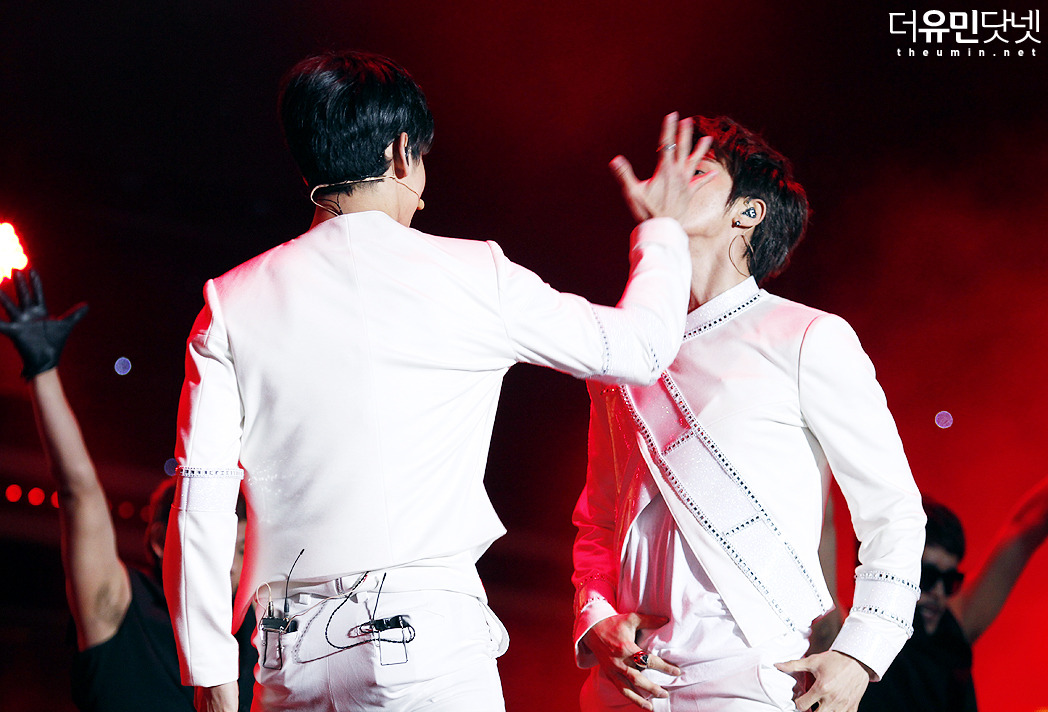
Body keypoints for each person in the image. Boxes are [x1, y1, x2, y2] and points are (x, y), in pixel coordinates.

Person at [164, 50, 714, 712]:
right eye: (422, 162)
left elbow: (201, 499)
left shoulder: (230, 302)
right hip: (423, 637)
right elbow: (642, 348)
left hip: (290, 647)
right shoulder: (475, 275)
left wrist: (211, 670)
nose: (422, 193)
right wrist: (663, 232)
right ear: (401, 153)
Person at [571, 116, 927, 712]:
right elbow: (600, 519)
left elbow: (892, 510)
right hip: (628, 681)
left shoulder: (806, 335)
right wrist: (596, 617)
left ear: (748, 212)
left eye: (699, 170)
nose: (670, 178)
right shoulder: (624, 352)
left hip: (756, 678)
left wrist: (861, 654)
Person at [0, 268, 256, 711]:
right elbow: (79, 491)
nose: (236, 564)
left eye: (242, 551)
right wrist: (42, 370)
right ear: (160, 541)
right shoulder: (124, 610)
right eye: (226, 547)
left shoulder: (254, 638)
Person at [858, 485, 1048, 711]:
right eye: (926, 576)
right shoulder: (848, 641)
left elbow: (1027, 525)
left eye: (949, 580)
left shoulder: (951, 633)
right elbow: (825, 527)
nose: (939, 592)